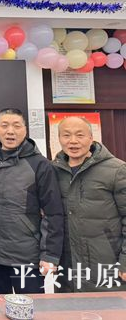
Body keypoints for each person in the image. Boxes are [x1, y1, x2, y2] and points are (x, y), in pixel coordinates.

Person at [0, 108, 63, 294]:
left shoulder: (39, 164)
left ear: (25, 130)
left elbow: (53, 212)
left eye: (16, 126)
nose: (10, 131)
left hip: (26, 257)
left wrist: (50, 255)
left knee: (30, 307)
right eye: (4, 126)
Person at [53, 116, 126, 291]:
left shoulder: (117, 170)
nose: (73, 141)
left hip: (107, 265)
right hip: (67, 268)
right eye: (66, 135)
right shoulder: (53, 171)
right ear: (59, 139)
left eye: (80, 135)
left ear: (91, 138)